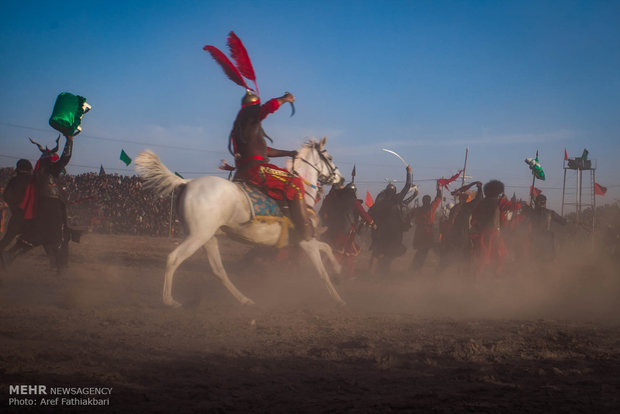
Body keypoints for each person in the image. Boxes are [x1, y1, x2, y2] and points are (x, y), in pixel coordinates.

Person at [230, 90, 314, 241]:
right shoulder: (250, 117)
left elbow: (264, 151)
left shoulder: (241, 125)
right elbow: (267, 108)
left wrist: (288, 153)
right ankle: (304, 230)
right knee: (296, 183)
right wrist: (284, 99)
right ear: (253, 107)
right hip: (256, 170)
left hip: (243, 171)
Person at [1, 135, 75, 273]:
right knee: (54, 236)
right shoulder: (50, 171)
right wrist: (70, 140)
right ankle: (10, 255)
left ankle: (11, 254)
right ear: (50, 162)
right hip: (51, 207)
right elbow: (66, 158)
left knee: (43, 235)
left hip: (46, 206)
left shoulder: (38, 174)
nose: (56, 162)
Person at [320, 182, 374, 277]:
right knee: (339, 253)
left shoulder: (336, 200)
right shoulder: (354, 202)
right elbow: (363, 213)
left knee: (349, 254)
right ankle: (327, 273)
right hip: (346, 231)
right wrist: (372, 222)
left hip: (336, 229)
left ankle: (349, 274)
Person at [470, 179, 521, 280]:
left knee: (483, 255)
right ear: (498, 192)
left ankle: (477, 275)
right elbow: (515, 206)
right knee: (501, 253)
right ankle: (496, 274)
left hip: (481, 232)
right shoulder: (499, 201)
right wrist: (515, 202)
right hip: (494, 233)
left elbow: (474, 218)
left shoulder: (481, 203)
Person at [368, 165, 412, 273]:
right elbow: (408, 186)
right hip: (393, 231)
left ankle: (372, 271)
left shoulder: (379, 203)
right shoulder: (396, 199)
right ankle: (380, 270)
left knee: (379, 251)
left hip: (381, 230)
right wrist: (408, 172)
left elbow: (370, 213)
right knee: (390, 250)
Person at [440, 181, 483, 270]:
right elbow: (479, 199)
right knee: (465, 259)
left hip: (453, 236)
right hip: (463, 236)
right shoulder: (466, 208)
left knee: (452, 258)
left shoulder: (454, 209)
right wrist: (479, 187)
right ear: (467, 200)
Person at [0, 159, 33, 252]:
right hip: (33, 216)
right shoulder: (34, 180)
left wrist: (14, 207)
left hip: (18, 215)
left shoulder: (14, 180)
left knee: (7, 239)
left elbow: (6, 195)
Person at [408, 181, 442, 270]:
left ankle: (415, 268)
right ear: (429, 201)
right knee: (424, 251)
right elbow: (439, 198)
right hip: (427, 232)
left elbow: (409, 216)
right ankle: (416, 268)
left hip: (419, 232)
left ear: (423, 201)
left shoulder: (418, 209)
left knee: (420, 251)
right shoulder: (432, 208)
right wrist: (438, 189)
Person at [528, 194, 567, 262]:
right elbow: (563, 222)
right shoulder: (550, 213)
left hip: (534, 242)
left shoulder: (531, 213)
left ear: (537, 203)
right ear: (544, 202)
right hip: (548, 243)